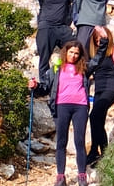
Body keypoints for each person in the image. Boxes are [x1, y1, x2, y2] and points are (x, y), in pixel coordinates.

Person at [29, 40, 100, 186]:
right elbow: (44, 89)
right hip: (61, 106)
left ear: (80, 55)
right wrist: (35, 86)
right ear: (65, 52)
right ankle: (60, 177)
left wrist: (104, 41)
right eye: (71, 52)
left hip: (80, 107)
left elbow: (98, 59)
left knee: (79, 141)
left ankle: (82, 176)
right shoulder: (55, 69)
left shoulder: (84, 68)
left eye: (76, 53)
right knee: (61, 141)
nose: (73, 56)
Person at [23, 0, 75, 81]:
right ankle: (45, 85)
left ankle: (71, 78)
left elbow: (77, 4)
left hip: (63, 28)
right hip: (46, 28)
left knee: (74, 51)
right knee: (44, 58)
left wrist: (74, 23)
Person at [85, 26, 114, 166]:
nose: (98, 41)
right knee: (97, 120)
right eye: (96, 39)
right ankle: (94, 152)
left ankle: (104, 154)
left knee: (94, 115)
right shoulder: (95, 54)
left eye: (100, 38)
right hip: (98, 90)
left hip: (111, 88)